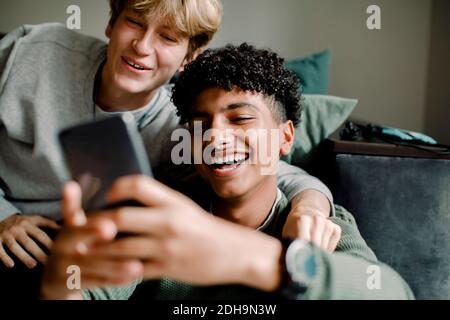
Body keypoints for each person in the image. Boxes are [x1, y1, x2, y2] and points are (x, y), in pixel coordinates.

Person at [0, 0, 337, 299]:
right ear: (111, 23)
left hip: (63, 258)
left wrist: (308, 207)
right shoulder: (34, 50)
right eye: (134, 22)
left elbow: (269, 169)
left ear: (187, 58)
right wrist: (3, 216)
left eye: (168, 37)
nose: (142, 47)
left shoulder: (182, 132)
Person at [40, 43, 414, 300]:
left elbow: (393, 293)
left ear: (285, 138)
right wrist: (61, 283)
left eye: (240, 119)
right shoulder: (159, 217)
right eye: (201, 123)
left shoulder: (321, 224)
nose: (216, 136)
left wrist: (259, 260)